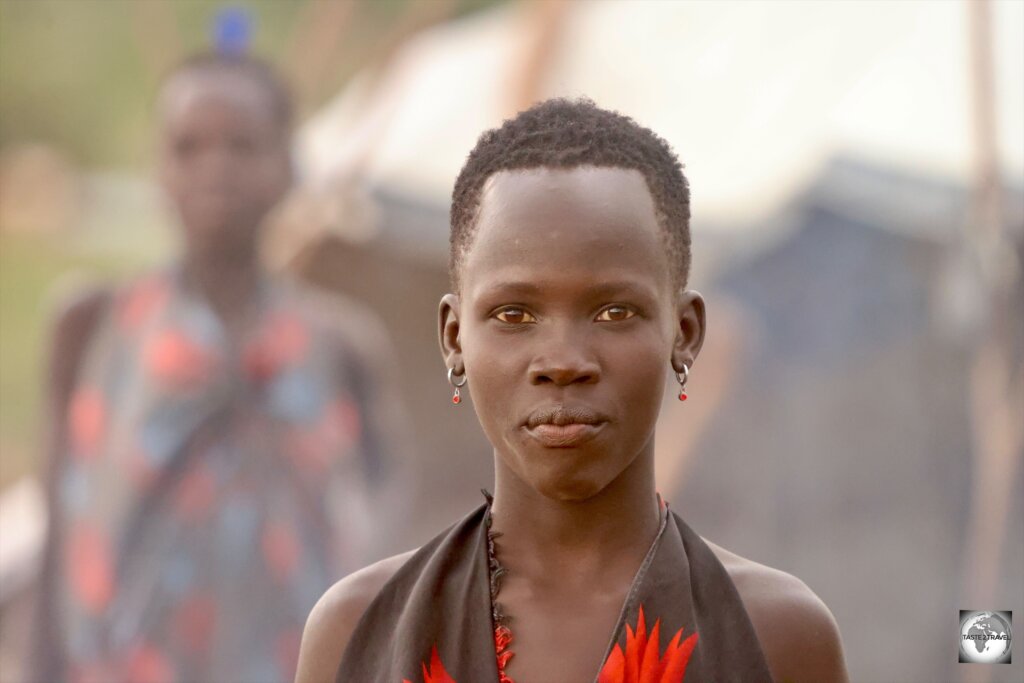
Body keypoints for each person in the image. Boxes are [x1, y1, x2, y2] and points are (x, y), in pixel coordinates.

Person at [296, 99, 848, 682]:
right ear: (454, 338)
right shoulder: (361, 632)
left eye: (614, 311)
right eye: (513, 314)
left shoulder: (774, 635)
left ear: (683, 334)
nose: (562, 362)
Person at [32, 52, 407, 683]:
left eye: (242, 146)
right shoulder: (96, 326)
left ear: (289, 167)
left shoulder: (338, 344)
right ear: (159, 170)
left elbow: (387, 516)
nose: (216, 169)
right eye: (188, 148)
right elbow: (58, 527)